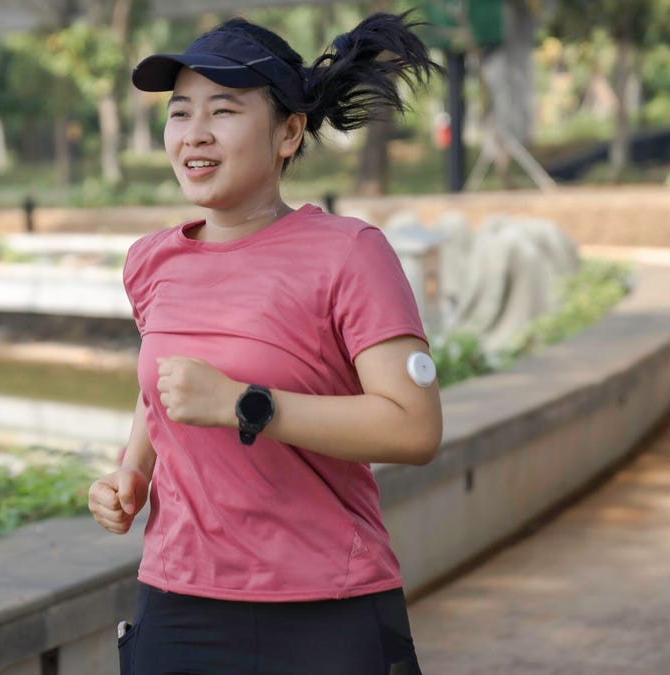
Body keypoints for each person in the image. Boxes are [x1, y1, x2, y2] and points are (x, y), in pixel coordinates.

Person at [86, 11, 442, 675]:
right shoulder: (150, 260)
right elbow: (163, 384)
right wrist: (133, 468)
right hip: (177, 598)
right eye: (180, 112)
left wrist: (247, 405)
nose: (194, 133)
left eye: (223, 111)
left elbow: (414, 427)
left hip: (324, 606)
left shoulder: (350, 253)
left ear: (289, 132)